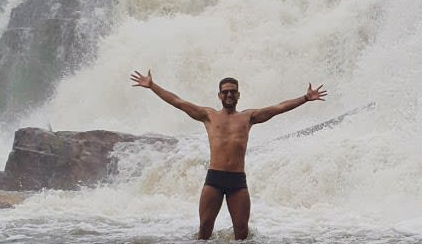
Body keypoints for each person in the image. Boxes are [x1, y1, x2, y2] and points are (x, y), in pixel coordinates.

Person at [130, 69, 327, 240]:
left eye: (233, 91)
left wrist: (305, 98)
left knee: (241, 232)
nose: (229, 94)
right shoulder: (208, 115)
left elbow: (278, 108)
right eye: (225, 92)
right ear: (219, 95)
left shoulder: (248, 117)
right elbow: (177, 102)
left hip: (237, 181)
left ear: (238, 95)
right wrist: (152, 85)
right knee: (205, 230)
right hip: (214, 179)